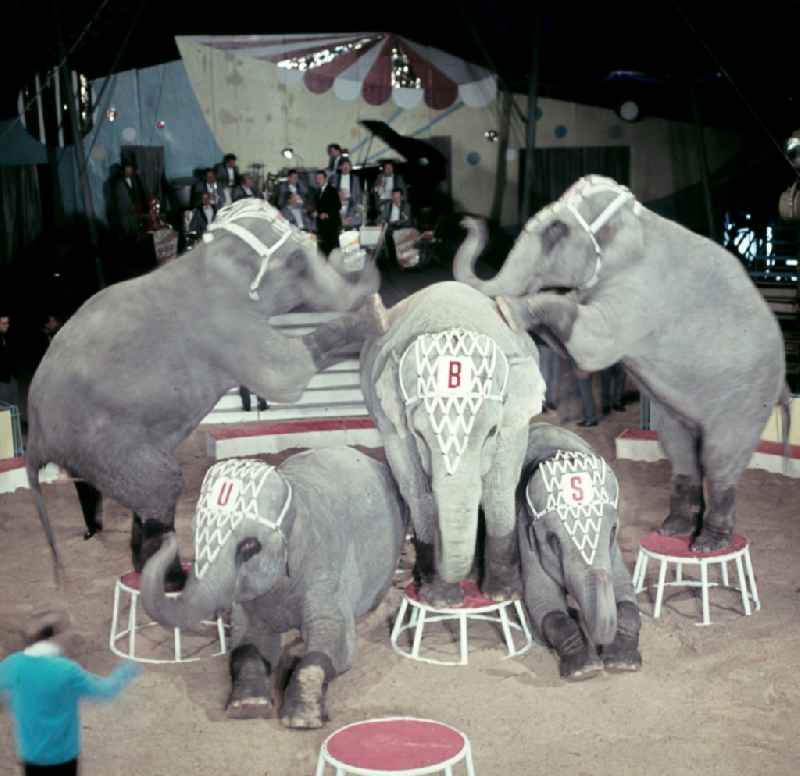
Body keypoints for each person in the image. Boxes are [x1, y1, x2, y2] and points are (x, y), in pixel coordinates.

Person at [0, 610, 142, 775]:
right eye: (65, 631)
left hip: (30, 755)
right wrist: (129, 668)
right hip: (63, 756)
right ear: (54, 637)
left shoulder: (12, 665)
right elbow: (105, 690)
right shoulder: (67, 670)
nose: (70, 636)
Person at [113, 162, 146, 238]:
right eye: (127, 170)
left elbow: (137, 194)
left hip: (135, 213)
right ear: (123, 171)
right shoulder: (118, 184)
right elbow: (120, 199)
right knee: (127, 233)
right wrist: (129, 207)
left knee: (136, 232)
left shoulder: (134, 181)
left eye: (130, 170)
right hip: (125, 214)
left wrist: (138, 205)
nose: (129, 172)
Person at [315, 171, 343, 256]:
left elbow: (338, 206)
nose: (318, 180)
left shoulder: (332, 190)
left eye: (320, 178)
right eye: (317, 179)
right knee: (322, 251)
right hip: (322, 226)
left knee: (332, 250)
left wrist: (327, 214)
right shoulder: (318, 192)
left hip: (332, 225)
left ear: (325, 179)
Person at [0, 313, 20, 410]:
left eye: (8, 323)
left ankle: (15, 423)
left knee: (14, 403)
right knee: (5, 407)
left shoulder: (7, 335)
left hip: (12, 376)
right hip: (2, 380)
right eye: (4, 323)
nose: (7, 325)